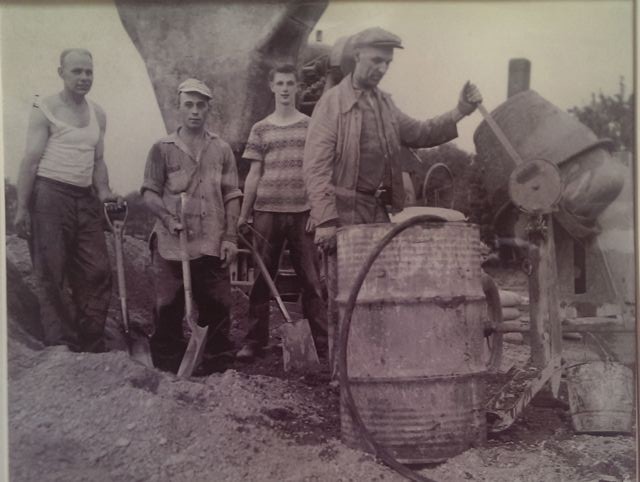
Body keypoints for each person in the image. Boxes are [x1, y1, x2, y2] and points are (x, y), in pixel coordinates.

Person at [303, 26, 484, 248]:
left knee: (380, 277)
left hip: (377, 209)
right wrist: (326, 220)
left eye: (387, 63)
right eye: (376, 60)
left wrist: (460, 111)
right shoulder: (331, 103)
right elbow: (315, 167)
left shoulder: (385, 104)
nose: (382, 68)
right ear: (357, 55)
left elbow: (420, 133)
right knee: (345, 280)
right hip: (343, 212)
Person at [14, 48, 120, 353]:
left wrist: (104, 193)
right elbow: (30, 162)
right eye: (77, 71)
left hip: (84, 197)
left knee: (97, 270)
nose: (84, 77)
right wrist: (22, 208)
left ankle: (92, 341)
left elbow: (98, 160)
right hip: (49, 195)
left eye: (89, 71)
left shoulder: (98, 113)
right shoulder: (45, 108)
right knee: (52, 270)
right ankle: (62, 345)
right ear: (61, 73)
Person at [141, 78, 242, 375]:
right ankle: (167, 367)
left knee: (218, 306)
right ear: (179, 108)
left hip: (211, 241)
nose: (195, 111)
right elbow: (149, 192)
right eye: (189, 105)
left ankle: (218, 367)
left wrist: (231, 236)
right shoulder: (161, 149)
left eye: (200, 105)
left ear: (208, 108)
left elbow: (232, 195)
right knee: (168, 307)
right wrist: (169, 219)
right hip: (172, 244)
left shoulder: (221, 149)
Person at [236, 64, 328, 361]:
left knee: (312, 282)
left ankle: (322, 344)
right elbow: (253, 174)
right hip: (267, 212)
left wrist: (318, 208)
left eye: (291, 83)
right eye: (281, 83)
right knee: (262, 279)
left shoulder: (310, 125)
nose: (286, 88)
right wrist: (244, 213)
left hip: (302, 213)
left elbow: (319, 169)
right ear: (272, 87)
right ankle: (254, 342)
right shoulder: (260, 128)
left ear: (297, 87)